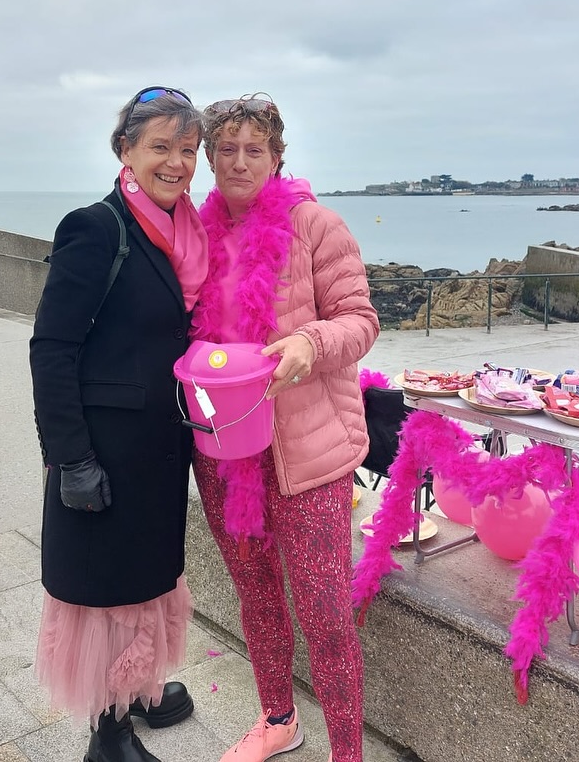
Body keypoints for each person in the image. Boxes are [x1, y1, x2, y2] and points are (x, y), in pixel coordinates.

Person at [190, 95, 379, 762]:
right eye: (226, 148)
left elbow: (360, 320)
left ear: (276, 156)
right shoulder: (194, 233)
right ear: (208, 157)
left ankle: (346, 752)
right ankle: (277, 718)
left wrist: (309, 341)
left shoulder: (316, 226)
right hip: (222, 453)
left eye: (254, 148)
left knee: (325, 615)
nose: (240, 161)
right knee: (256, 595)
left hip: (308, 453)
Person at [30, 86, 208, 762]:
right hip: (104, 452)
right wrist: (70, 455)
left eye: (187, 150)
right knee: (107, 594)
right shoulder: (97, 227)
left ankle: (136, 690)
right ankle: (108, 734)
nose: (177, 163)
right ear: (125, 151)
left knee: (147, 580)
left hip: (159, 449)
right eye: (160, 146)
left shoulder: (180, 233)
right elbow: (52, 347)